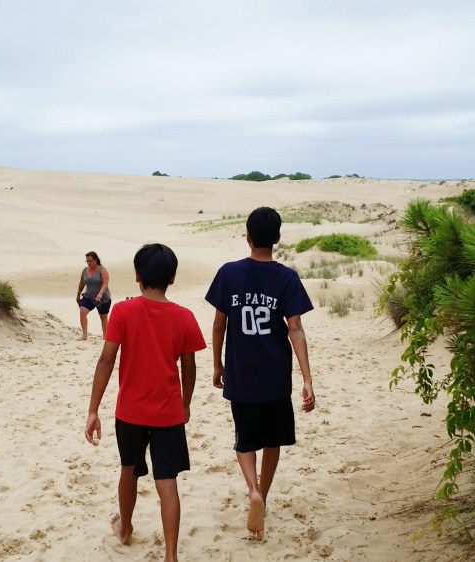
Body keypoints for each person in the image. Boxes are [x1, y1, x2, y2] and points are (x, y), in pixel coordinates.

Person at [84, 243, 207, 562]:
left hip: (130, 413)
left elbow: (106, 361)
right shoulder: (184, 317)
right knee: (167, 481)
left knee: (129, 470)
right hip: (168, 413)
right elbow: (189, 366)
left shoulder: (123, 311)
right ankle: (170, 555)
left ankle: (124, 528)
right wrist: (186, 403)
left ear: (137, 276)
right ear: (173, 277)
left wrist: (93, 409)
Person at [204, 206, 315, 541]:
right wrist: (307, 378)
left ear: (247, 237)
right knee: (272, 441)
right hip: (276, 375)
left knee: (245, 439)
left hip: (241, 372)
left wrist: (217, 363)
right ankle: (262, 496)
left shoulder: (229, 273)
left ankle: (251, 489)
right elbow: (295, 328)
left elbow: (219, 323)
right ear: (278, 239)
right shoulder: (286, 278)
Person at [76, 251, 111, 340]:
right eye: (87, 261)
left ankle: (105, 337)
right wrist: (78, 295)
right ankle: (84, 335)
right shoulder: (85, 270)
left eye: (90, 261)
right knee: (82, 311)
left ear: (95, 260)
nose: (88, 263)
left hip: (103, 298)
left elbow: (105, 284)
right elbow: (81, 283)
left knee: (103, 317)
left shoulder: (102, 270)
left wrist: (100, 294)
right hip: (89, 297)